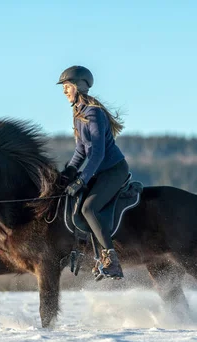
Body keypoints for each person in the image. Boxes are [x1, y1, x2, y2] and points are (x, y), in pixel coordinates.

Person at [57, 65, 129, 279]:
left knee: (89, 208)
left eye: (67, 86)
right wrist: (69, 172)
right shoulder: (78, 115)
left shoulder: (94, 113)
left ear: (78, 86)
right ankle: (93, 256)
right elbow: (81, 151)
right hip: (100, 170)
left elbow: (97, 153)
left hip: (114, 170)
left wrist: (82, 180)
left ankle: (111, 261)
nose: (64, 91)